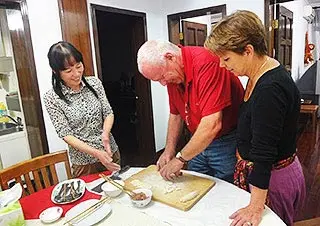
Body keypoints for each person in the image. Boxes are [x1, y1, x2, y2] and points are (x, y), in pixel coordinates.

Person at [204, 10, 305, 226]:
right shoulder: (257, 73)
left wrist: (255, 206)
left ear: (248, 50)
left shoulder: (270, 89)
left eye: (226, 58)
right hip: (267, 176)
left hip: (273, 180)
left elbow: (264, 152)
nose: (222, 65)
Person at [137, 40, 244, 183]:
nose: (163, 83)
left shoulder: (207, 62)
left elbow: (212, 124)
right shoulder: (173, 76)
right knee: (195, 185)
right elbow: (175, 114)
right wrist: (169, 150)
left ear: (170, 57)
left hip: (226, 140)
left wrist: (180, 158)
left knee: (226, 187)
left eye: (162, 77)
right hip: (196, 138)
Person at [44, 41, 121, 178]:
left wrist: (105, 134)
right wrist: (96, 153)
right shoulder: (52, 98)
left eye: (78, 66)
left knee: (118, 191)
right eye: (68, 71)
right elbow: (65, 134)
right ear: (56, 72)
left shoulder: (95, 83)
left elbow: (108, 112)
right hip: (84, 163)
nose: (76, 73)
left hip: (110, 152)